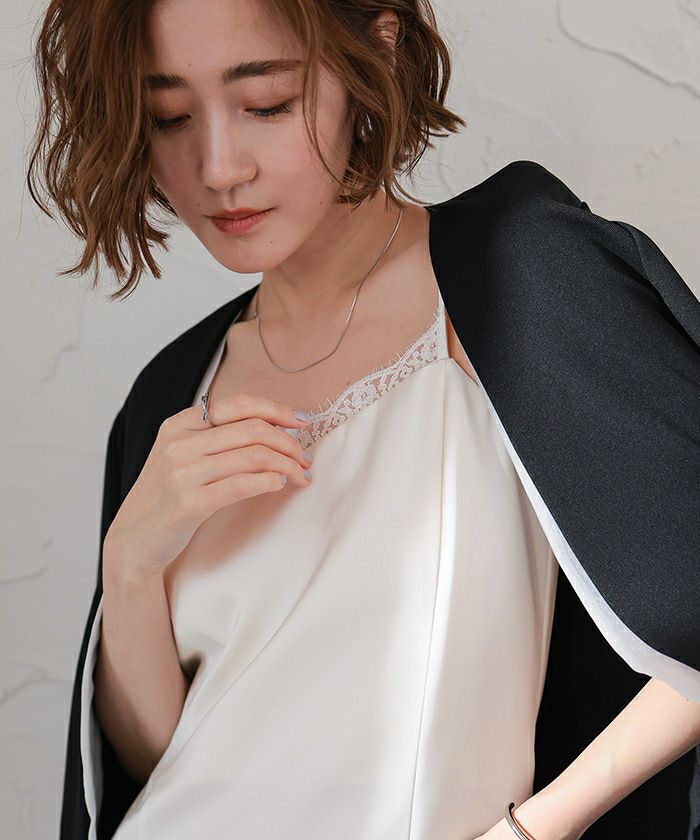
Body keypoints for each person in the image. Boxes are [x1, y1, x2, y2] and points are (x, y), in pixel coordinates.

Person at [26, 1, 700, 838]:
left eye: (266, 103)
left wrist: (536, 828)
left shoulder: (515, 280)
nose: (218, 166)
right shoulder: (172, 390)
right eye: (168, 116)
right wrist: (130, 561)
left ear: (371, 58)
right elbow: (155, 757)